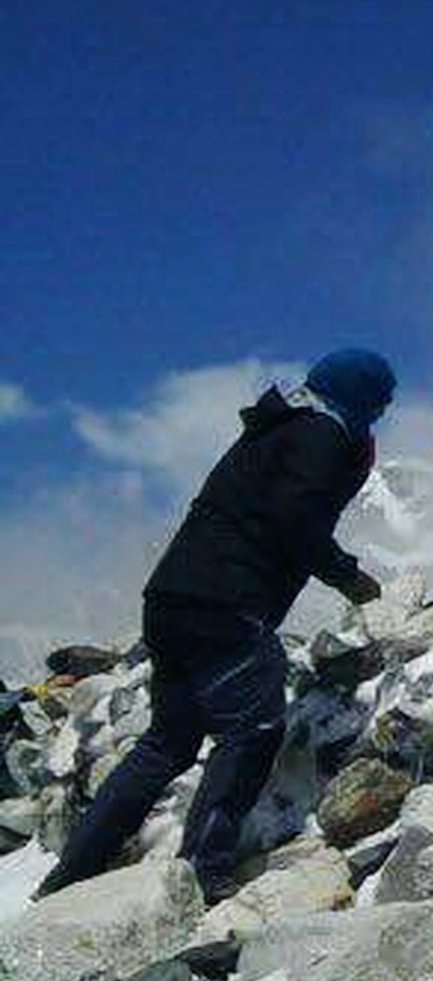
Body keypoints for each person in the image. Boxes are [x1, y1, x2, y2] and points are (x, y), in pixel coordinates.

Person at [40, 350, 393, 898]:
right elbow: (294, 516)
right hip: (225, 601)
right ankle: (203, 872)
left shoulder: (274, 428)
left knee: (167, 743)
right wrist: (347, 576)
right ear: (363, 399)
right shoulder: (321, 434)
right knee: (252, 729)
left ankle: (69, 875)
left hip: (171, 598)